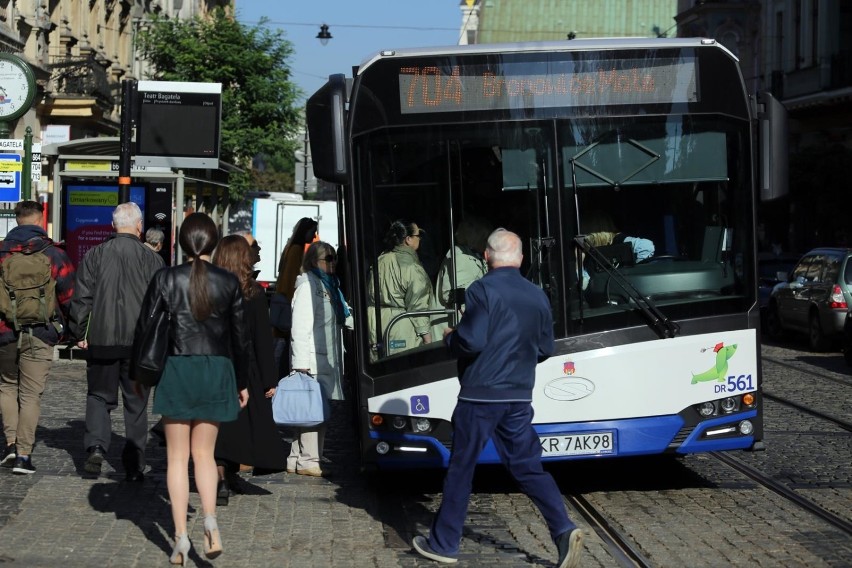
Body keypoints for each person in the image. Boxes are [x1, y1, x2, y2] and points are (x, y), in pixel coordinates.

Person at [412, 229, 584, 568]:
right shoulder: (537, 294)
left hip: (480, 396)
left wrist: (451, 338)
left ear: (487, 257)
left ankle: (444, 544)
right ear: (520, 258)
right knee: (528, 467)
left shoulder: (482, 289)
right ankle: (564, 529)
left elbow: (472, 341)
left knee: (462, 469)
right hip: (518, 396)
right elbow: (546, 348)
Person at [135, 212, 250, 564]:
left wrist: (140, 377)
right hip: (216, 370)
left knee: (175, 459)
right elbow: (240, 339)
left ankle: (180, 538)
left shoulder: (165, 278)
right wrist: (241, 383)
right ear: (213, 243)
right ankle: (211, 521)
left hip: (177, 369)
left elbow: (145, 330)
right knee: (205, 456)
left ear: (181, 242)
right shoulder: (228, 282)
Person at [68, 202, 165, 480]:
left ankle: (96, 446)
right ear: (139, 227)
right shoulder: (152, 260)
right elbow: (160, 305)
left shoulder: (95, 255)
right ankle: (134, 463)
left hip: (102, 339)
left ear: (113, 226)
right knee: (136, 403)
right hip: (139, 345)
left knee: (99, 395)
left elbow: (82, 298)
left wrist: (80, 332)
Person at [0, 200, 75, 475]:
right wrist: (71, 332)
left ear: (16, 220)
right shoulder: (55, 254)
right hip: (42, 331)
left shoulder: (2, 253)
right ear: (40, 220)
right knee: (31, 395)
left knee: (7, 387)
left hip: (4, 332)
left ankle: (9, 444)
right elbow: (68, 296)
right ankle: (23, 455)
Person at [212, 235, 287, 504]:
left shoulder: (210, 288)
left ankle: (222, 474)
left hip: (214, 363)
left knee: (219, 425)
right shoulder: (252, 292)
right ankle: (225, 475)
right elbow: (262, 341)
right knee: (239, 425)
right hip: (245, 366)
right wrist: (269, 378)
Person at [289, 241, 352, 477]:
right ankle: (309, 459)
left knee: (313, 410)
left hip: (327, 358)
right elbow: (300, 327)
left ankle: (296, 456)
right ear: (315, 261)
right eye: (329, 258)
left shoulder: (331, 286)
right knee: (313, 412)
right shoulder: (308, 285)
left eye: (334, 258)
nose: (333, 262)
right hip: (312, 360)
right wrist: (301, 365)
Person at [367, 220, 433, 359]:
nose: (420, 238)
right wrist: (426, 336)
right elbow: (417, 306)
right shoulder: (411, 267)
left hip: (374, 322)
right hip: (400, 326)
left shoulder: (380, 259)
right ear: (408, 239)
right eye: (418, 235)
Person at [272, 218, 318, 374]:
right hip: (287, 301)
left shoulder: (290, 247)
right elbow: (290, 280)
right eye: (313, 231)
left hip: (281, 299)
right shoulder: (297, 249)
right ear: (305, 231)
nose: (314, 236)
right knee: (285, 346)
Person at [432, 216, 490, 334]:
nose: (487, 242)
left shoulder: (475, 256)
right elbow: (454, 295)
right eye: (484, 238)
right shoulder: (460, 257)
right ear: (475, 238)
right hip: (454, 326)